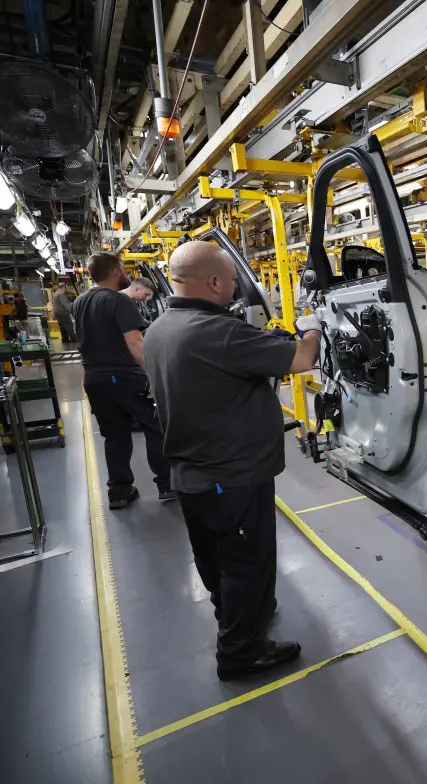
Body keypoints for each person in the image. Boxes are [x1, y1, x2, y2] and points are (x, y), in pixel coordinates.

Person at [144, 241, 321, 681]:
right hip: (233, 475)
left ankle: (238, 612)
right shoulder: (219, 332)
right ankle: (241, 651)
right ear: (216, 281)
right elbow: (302, 358)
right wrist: (313, 327)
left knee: (214, 553)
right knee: (247, 559)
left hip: (191, 472)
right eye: (231, 278)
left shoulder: (160, 330)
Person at [73, 253, 173, 509]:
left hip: (93, 378)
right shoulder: (118, 301)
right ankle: (167, 485)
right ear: (117, 270)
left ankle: (119, 491)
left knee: (115, 435)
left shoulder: (80, 301)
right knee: (156, 427)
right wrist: (156, 375)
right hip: (124, 377)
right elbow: (134, 343)